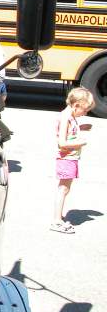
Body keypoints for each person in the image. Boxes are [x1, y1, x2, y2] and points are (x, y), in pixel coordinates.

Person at [50, 87, 95, 234]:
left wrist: (81, 127)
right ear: (76, 105)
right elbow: (62, 143)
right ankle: (56, 221)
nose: (85, 113)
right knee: (63, 189)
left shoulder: (70, 117)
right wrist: (80, 143)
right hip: (66, 158)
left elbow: (69, 132)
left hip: (70, 158)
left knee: (65, 189)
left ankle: (59, 216)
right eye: (85, 110)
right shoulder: (65, 117)